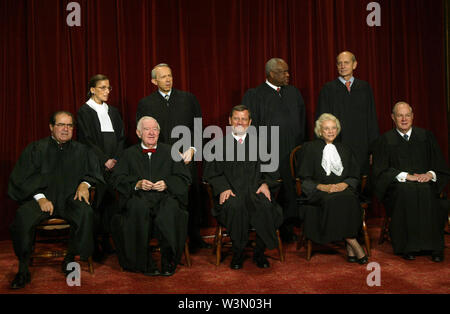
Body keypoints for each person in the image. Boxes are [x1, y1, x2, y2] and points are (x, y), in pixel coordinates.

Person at [8, 111, 103, 289]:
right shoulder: (36, 149)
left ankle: (69, 259)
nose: (65, 129)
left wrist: (84, 184)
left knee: (85, 212)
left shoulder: (82, 151)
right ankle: (22, 270)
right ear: (51, 127)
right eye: (61, 125)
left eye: (69, 125)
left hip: (69, 198)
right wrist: (40, 198)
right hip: (41, 200)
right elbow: (21, 179)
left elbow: (93, 174)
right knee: (22, 217)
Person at [136, 63, 209, 251]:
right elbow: (145, 133)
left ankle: (194, 237)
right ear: (154, 81)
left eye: (169, 75)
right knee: (165, 199)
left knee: (191, 196)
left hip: (186, 158)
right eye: (163, 77)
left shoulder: (188, 99)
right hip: (161, 161)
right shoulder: (146, 103)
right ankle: (167, 240)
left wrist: (193, 149)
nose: (168, 79)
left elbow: (198, 128)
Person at [203, 105, 283, 270]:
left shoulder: (261, 144)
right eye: (236, 118)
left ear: (250, 122)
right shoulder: (218, 145)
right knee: (235, 206)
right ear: (230, 121)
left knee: (265, 206)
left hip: (255, 191)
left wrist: (266, 184)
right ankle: (237, 253)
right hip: (232, 193)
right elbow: (211, 174)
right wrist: (223, 187)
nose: (240, 122)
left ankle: (259, 253)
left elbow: (272, 171)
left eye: (244, 119)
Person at [110, 116, 191, 276]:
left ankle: (169, 262)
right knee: (136, 209)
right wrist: (137, 184)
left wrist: (167, 183)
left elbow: (184, 178)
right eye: (147, 129)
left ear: (159, 132)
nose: (151, 133)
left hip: (165, 197)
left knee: (170, 210)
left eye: (155, 129)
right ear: (139, 133)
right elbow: (116, 179)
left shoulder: (171, 152)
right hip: (139, 198)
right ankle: (143, 263)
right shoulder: (128, 154)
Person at [372, 102, 449, 262]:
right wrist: (405, 176)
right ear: (393, 118)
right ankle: (408, 246)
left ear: (413, 117)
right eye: (400, 115)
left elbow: (440, 165)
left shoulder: (426, 136)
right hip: (398, 187)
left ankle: (434, 247)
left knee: (428, 191)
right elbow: (380, 172)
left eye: (407, 115)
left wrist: (430, 174)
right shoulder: (385, 140)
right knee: (407, 191)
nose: (404, 119)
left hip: (426, 184)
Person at [241, 57, 306, 243]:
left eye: (287, 71)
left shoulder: (294, 93)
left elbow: (302, 121)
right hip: (268, 154)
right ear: (270, 74)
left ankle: (288, 227)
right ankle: (270, 230)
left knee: (290, 190)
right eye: (283, 72)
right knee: (273, 190)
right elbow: (249, 128)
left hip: (292, 153)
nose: (288, 75)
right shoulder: (255, 95)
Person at [297, 113, 368, 264]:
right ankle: (352, 241)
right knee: (335, 199)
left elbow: (355, 175)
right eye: (326, 129)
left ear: (337, 129)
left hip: (343, 189)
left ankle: (349, 246)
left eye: (333, 128)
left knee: (349, 197)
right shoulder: (310, 148)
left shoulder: (345, 149)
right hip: (319, 191)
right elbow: (304, 178)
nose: (330, 131)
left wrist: (344, 184)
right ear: (320, 131)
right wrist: (323, 187)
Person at [77, 74, 126, 261]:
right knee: (97, 205)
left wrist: (116, 159)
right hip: (96, 164)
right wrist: (105, 159)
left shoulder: (113, 111)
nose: (107, 91)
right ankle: (94, 245)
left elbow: (121, 137)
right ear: (92, 89)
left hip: (114, 164)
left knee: (112, 206)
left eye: (108, 88)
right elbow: (87, 140)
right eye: (102, 88)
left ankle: (107, 241)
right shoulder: (84, 111)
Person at [316, 51, 379, 175]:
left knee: (363, 182)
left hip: (362, 146)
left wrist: (374, 149)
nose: (342, 66)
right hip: (338, 145)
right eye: (339, 63)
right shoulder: (328, 89)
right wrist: (325, 147)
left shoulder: (364, 88)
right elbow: (322, 121)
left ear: (354, 65)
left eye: (346, 63)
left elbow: (372, 119)